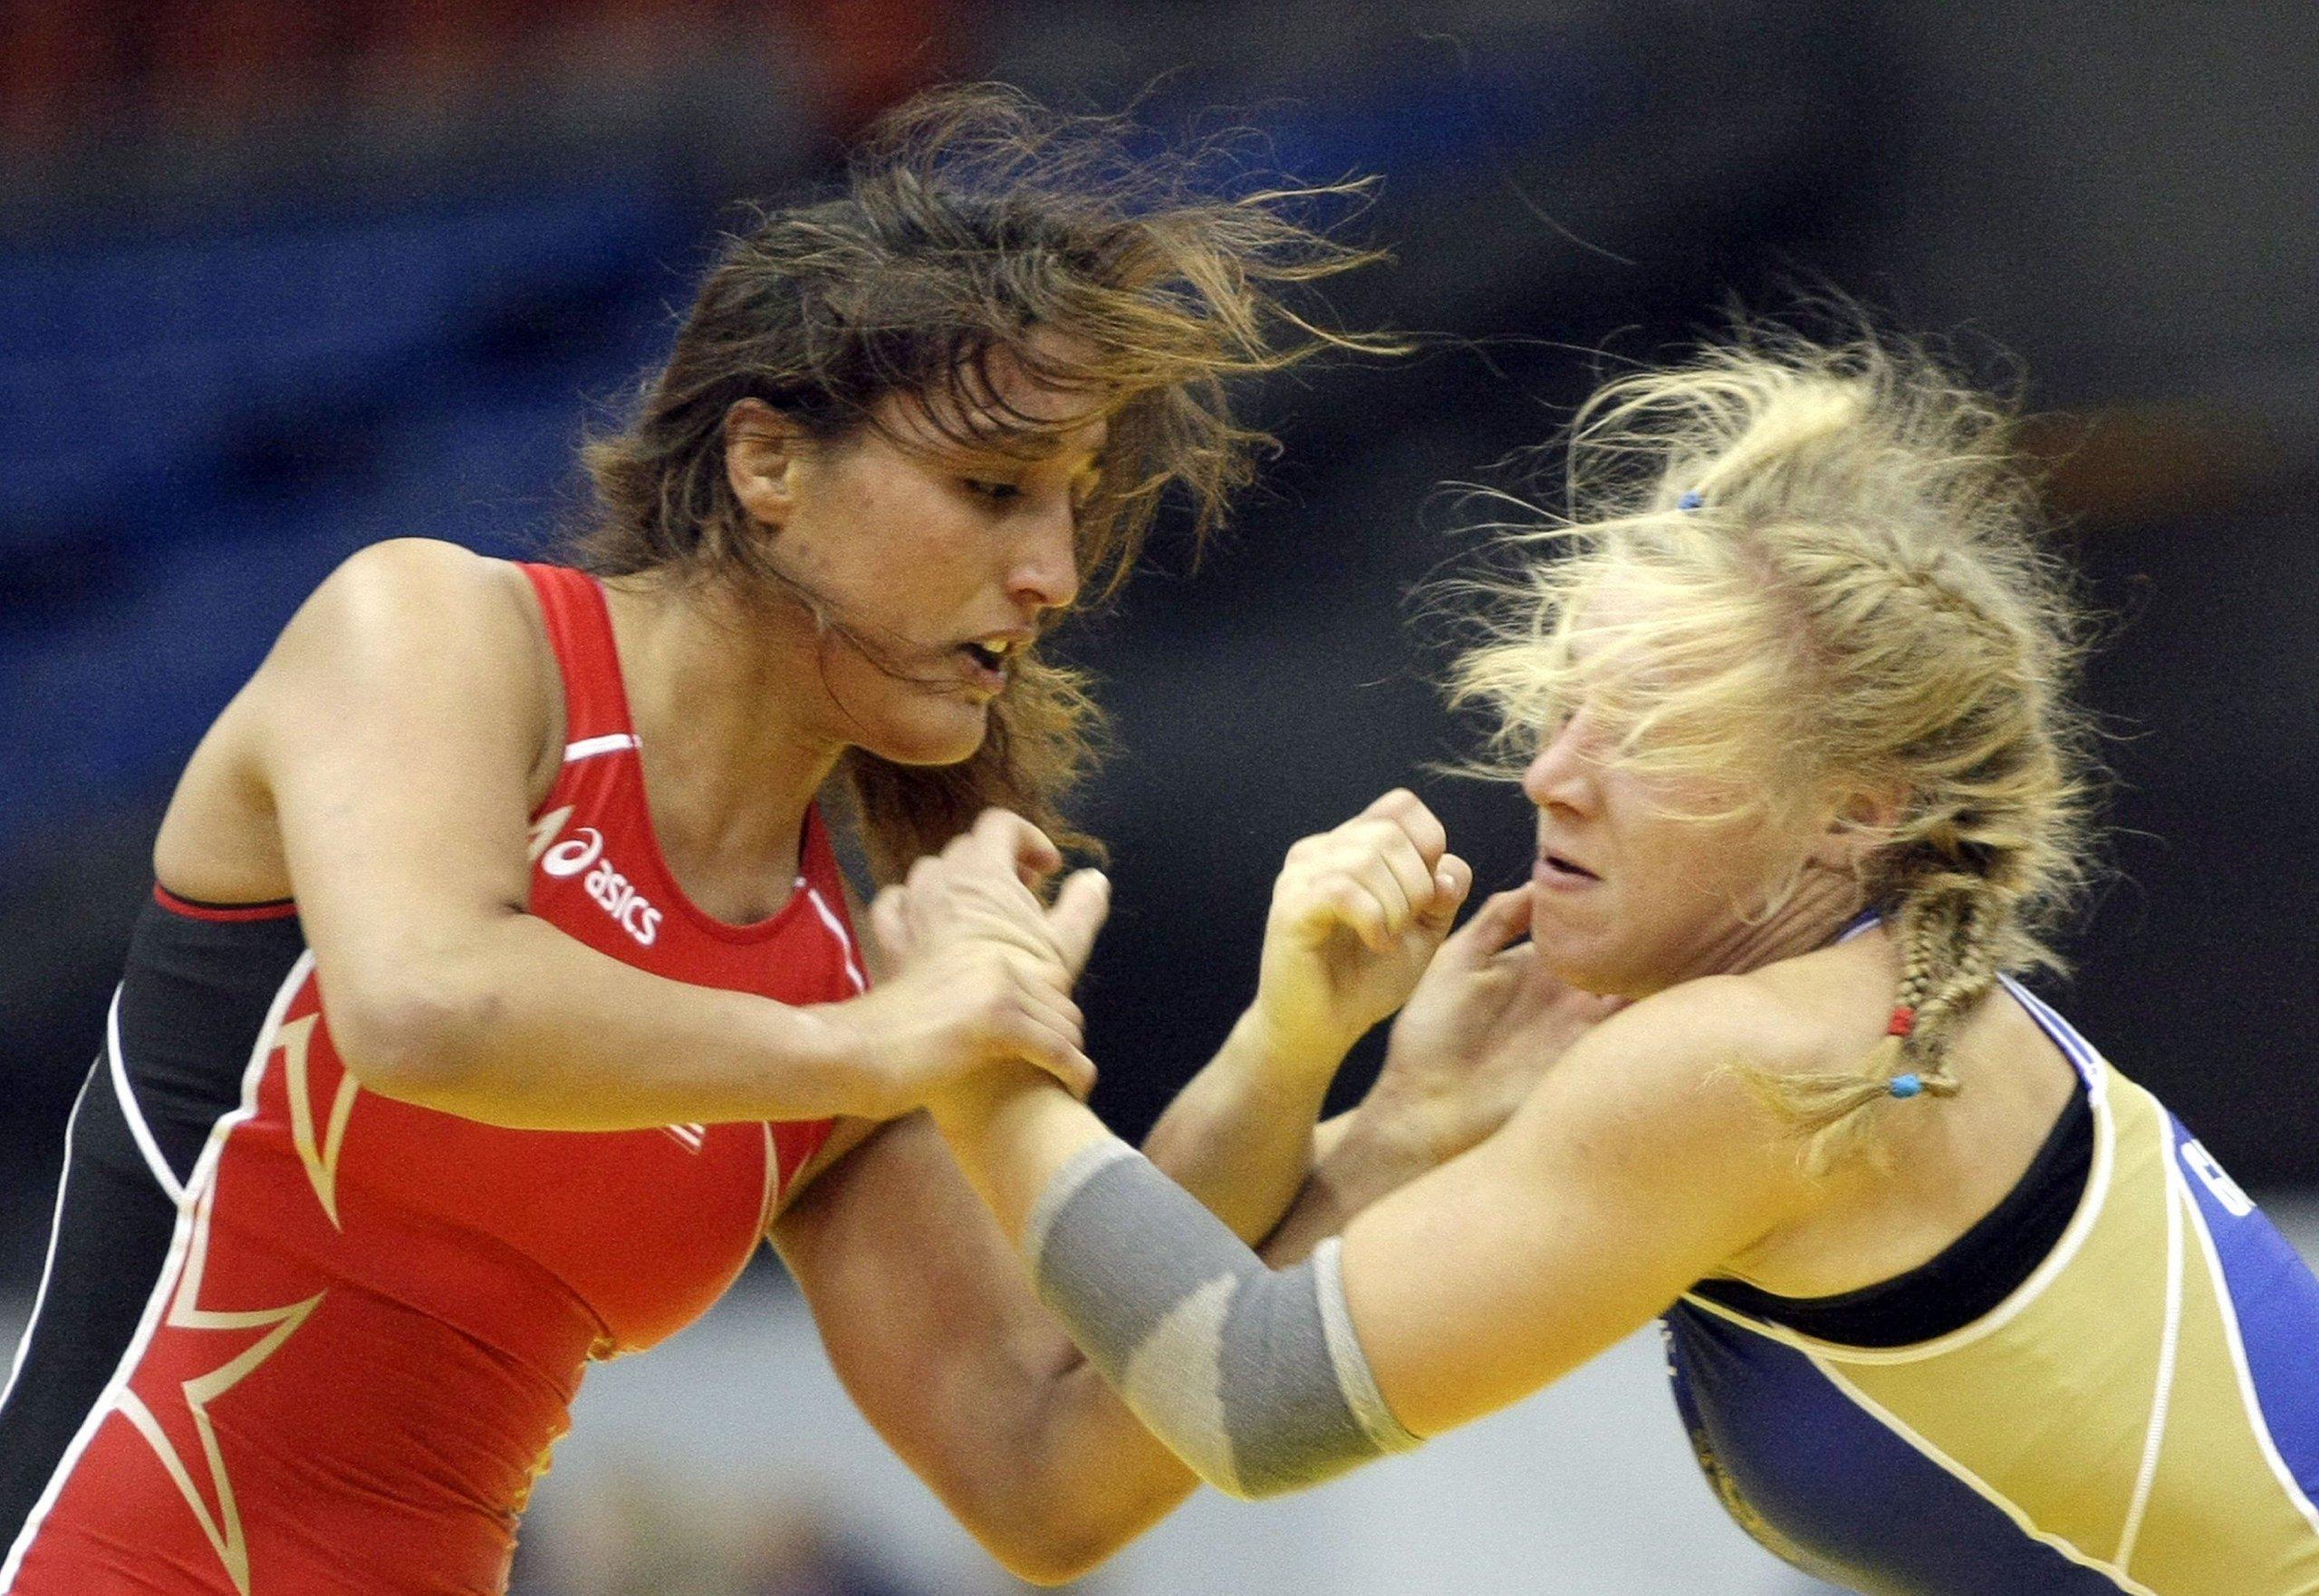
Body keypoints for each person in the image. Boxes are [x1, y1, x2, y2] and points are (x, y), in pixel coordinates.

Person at [0, 86, 1522, 1595]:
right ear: (767, 465)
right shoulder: (437, 631)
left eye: (1073, 505)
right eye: (991, 490)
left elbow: (1041, 1466)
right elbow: (424, 1002)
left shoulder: (820, 989)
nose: (1052, 570)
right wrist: (883, 1044)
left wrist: (1310, 1063)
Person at [900, 328, 2319, 1592]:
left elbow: (1249, 1396)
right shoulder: (1788, 1019)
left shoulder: (1746, 1068)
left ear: (1857, 807)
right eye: (1567, 708)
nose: (1551, 775)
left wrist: (976, 1062)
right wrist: (1333, 1076)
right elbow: (1096, 1424)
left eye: (1646, 731)